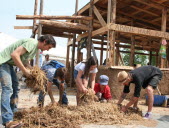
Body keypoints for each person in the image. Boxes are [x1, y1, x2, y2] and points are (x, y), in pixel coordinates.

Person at [0, 34, 56, 128]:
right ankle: (7, 120)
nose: (47, 50)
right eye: (48, 47)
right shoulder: (32, 43)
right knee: (8, 88)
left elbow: (24, 61)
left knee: (16, 88)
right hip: (3, 63)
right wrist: (25, 71)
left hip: (9, 65)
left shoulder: (35, 49)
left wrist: (33, 71)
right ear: (45, 41)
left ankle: (14, 114)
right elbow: (14, 54)